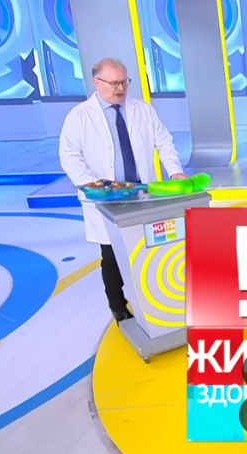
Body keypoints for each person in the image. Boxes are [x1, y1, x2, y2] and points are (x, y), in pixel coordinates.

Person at [59, 58, 187, 323]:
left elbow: (164, 142)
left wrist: (174, 171)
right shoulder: (79, 116)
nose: (121, 88)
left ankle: (156, 301)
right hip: (106, 199)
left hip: (142, 194)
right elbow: (70, 156)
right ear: (97, 82)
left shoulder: (143, 110)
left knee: (150, 248)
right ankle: (118, 307)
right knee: (112, 255)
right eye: (114, 83)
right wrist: (94, 186)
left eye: (124, 82)